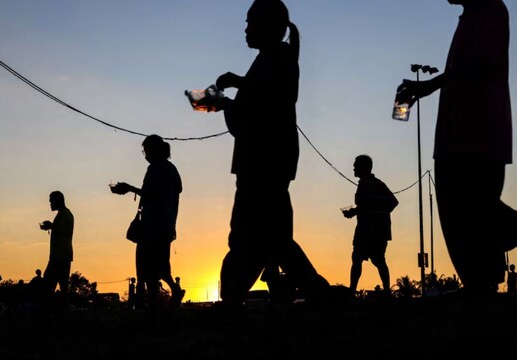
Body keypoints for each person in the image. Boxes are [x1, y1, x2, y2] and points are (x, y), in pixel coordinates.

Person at [395, 0, 517, 294]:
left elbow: (479, 66)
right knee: (462, 216)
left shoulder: (490, 10)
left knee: (475, 209)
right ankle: (481, 283)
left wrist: (428, 85)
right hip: (456, 135)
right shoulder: (471, 16)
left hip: (478, 133)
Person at [213, 0, 330, 307]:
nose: (246, 29)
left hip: (263, 159)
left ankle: (235, 296)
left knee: (251, 235)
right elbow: (257, 102)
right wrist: (232, 94)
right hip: (267, 158)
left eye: (251, 23)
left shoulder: (277, 57)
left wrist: (228, 98)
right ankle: (316, 291)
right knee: (270, 236)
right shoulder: (274, 58)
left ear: (268, 27)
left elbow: (262, 106)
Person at [112, 135, 185, 309]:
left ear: (152, 151)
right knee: (160, 264)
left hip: (152, 225)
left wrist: (128, 188)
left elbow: (150, 194)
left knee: (146, 266)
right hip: (167, 225)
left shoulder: (155, 169)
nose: (145, 155)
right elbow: (175, 191)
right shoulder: (172, 169)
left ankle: (151, 305)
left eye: (146, 151)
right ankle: (171, 291)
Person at [342, 155, 398, 296]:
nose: (353, 168)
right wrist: (354, 211)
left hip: (374, 231)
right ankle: (353, 291)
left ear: (364, 167)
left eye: (356, 165)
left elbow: (392, 202)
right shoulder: (364, 184)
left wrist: (372, 207)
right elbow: (363, 206)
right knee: (358, 259)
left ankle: (384, 292)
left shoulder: (376, 184)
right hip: (364, 229)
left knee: (377, 260)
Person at [40, 191, 74, 299]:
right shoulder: (64, 214)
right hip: (62, 256)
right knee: (62, 285)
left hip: (59, 257)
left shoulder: (64, 215)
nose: (50, 203)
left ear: (58, 201)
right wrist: (51, 226)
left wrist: (51, 226)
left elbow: (63, 232)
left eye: (52, 201)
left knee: (48, 285)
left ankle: (51, 311)